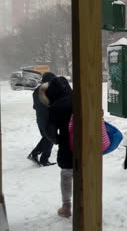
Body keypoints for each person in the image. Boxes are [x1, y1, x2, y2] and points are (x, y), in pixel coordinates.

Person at [40, 76, 73, 217]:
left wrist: (58, 140)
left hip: (67, 145)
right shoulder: (80, 97)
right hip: (88, 144)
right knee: (87, 173)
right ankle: (89, 202)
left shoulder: (55, 106)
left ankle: (66, 206)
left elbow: (50, 131)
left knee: (66, 174)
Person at [27, 72, 56, 166]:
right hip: (48, 118)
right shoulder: (48, 90)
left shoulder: (36, 91)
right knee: (50, 138)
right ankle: (41, 158)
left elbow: (35, 106)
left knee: (47, 138)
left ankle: (38, 156)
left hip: (40, 118)